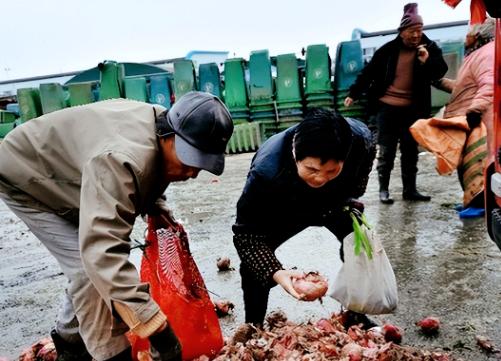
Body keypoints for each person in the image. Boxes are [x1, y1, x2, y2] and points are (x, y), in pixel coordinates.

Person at [0, 92, 233, 361]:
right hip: (30, 175)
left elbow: (148, 175)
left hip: (78, 170)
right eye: (189, 161)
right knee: (89, 270)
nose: (192, 173)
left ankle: (69, 343)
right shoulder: (120, 159)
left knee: (94, 269)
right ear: (169, 137)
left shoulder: (163, 127)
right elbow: (103, 255)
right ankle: (102, 354)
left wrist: (158, 209)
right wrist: (157, 328)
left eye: (200, 165)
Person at [232, 108, 376, 328]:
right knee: (253, 266)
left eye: (332, 171)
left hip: (334, 201)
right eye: (312, 169)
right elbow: (246, 236)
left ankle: (355, 313)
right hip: (287, 205)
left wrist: (350, 194)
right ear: (295, 152)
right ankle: (254, 326)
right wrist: (275, 272)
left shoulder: (360, 140)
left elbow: (362, 170)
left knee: (359, 244)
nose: (320, 178)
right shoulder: (266, 172)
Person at [344, 3, 448, 204]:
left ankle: (410, 191)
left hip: (413, 109)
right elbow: (369, 73)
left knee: (410, 152)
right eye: (412, 31)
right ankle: (384, 190)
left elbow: (439, 71)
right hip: (387, 109)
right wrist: (354, 93)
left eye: (419, 31)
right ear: (402, 32)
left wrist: (426, 61)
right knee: (387, 151)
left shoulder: (429, 48)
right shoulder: (387, 50)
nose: (416, 35)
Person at [432, 18, 494, 216]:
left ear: (477, 34)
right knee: (466, 166)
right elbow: (463, 86)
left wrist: (475, 111)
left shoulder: (487, 53)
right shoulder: (477, 54)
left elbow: (488, 84)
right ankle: (471, 201)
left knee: (476, 165)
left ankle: (479, 205)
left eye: (468, 31)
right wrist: (439, 81)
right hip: (468, 120)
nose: (464, 36)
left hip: (478, 122)